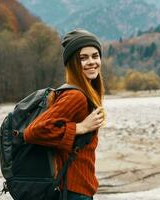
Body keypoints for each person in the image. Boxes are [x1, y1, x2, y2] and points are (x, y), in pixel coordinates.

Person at [24, 28, 105, 200]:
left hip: (77, 187)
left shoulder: (85, 92)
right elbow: (33, 131)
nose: (91, 62)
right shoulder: (75, 96)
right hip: (73, 190)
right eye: (83, 58)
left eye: (95, 56)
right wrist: (79, 127)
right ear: (72, 63)